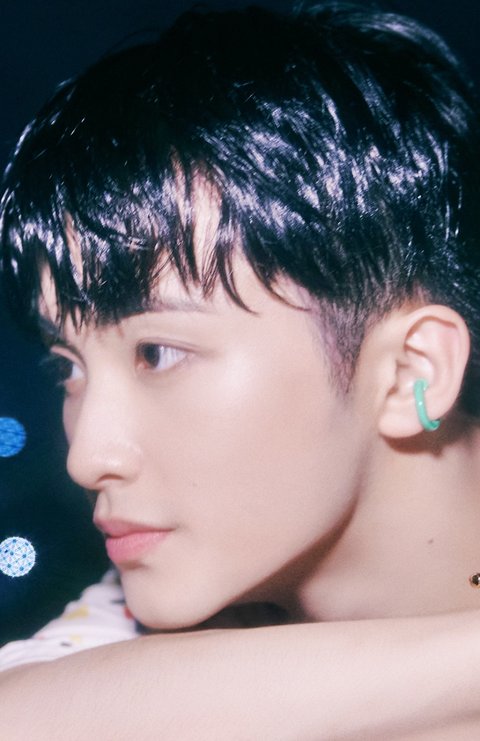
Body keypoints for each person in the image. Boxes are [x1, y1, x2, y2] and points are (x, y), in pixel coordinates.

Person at [1, 3, 480, 737]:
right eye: (68, 365)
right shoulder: (159, 622)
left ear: (410, 371)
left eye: (157, 353)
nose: (87, 456)